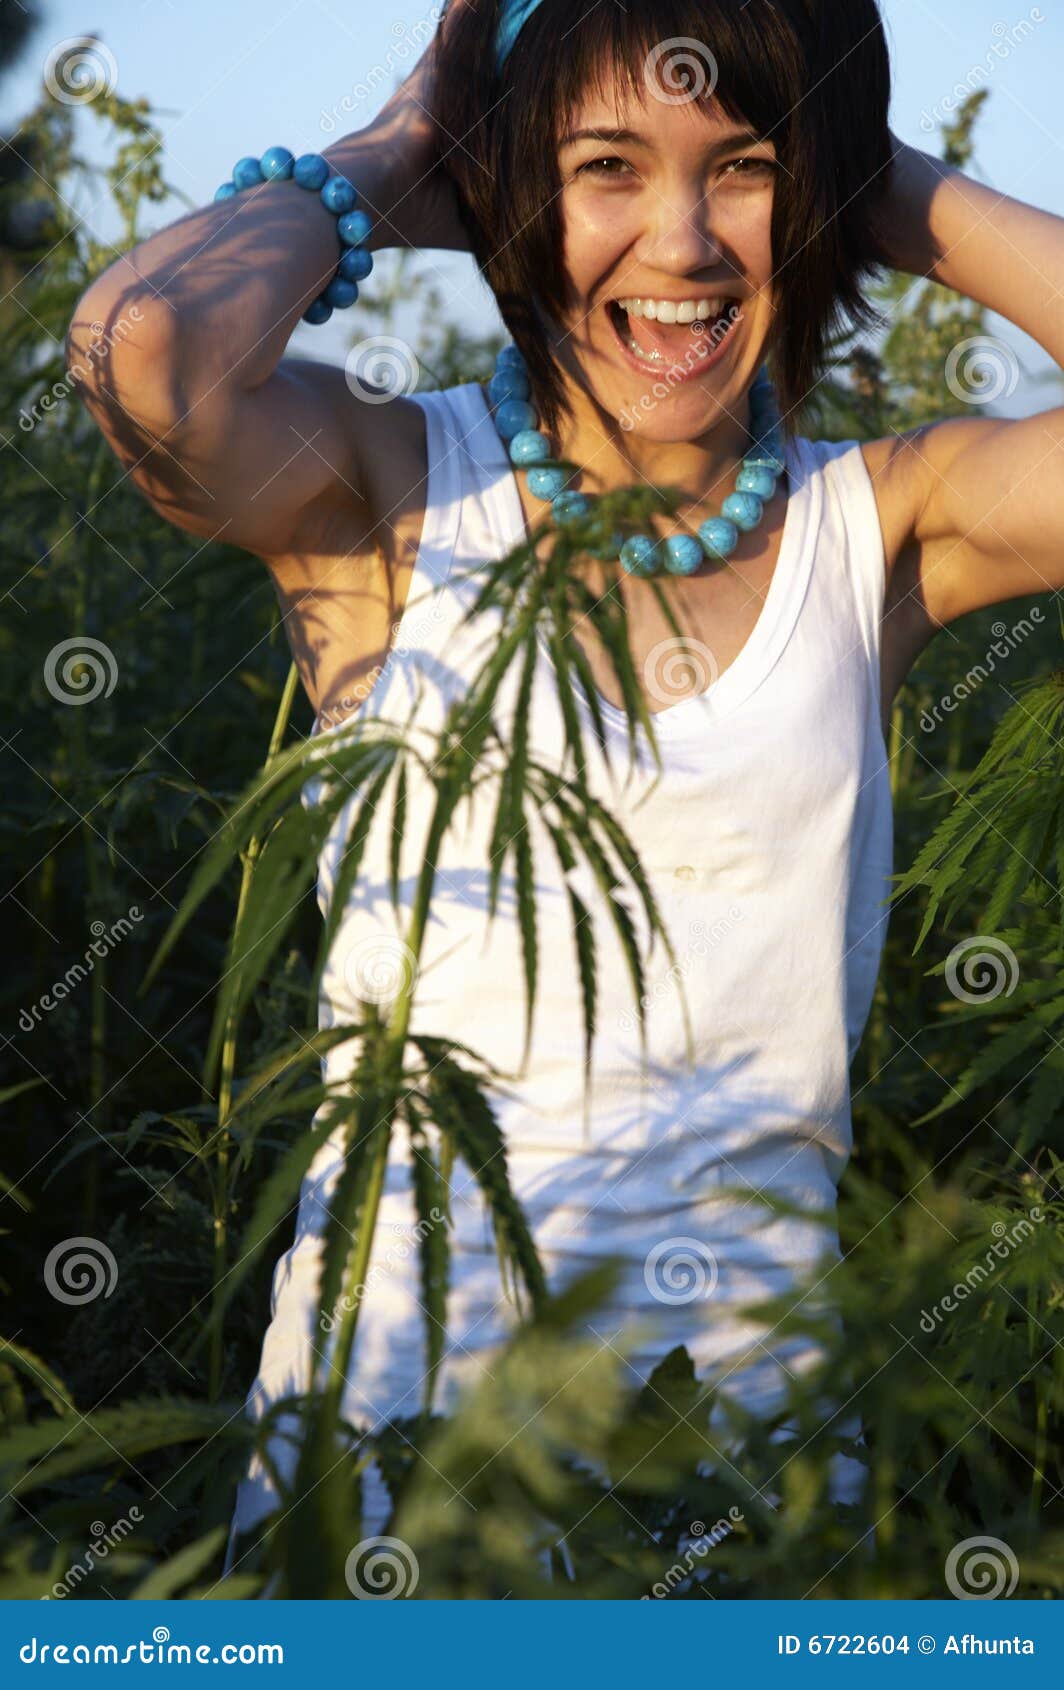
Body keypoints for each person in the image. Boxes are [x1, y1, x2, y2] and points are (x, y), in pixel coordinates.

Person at [68, 0, 1064, 1596]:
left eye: (740, 168)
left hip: (750, 1480)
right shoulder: (389, 494)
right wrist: (400, 153)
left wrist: (874, 177)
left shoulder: (874, 527)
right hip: (391, 1464)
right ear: (511, 189)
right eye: (605, 166)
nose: (680, 242)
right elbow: (143, 356)